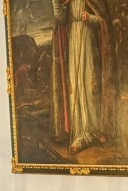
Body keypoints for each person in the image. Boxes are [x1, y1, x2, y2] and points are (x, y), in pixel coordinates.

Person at [50, 0, 117, 154]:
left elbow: (103, 21)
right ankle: (79, 134)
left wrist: (90, 18)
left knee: (90, 85)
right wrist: (56, 3)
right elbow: (60, 19)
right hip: (72, 39)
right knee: (75, 86)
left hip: (89, 39)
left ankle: (94, 129)